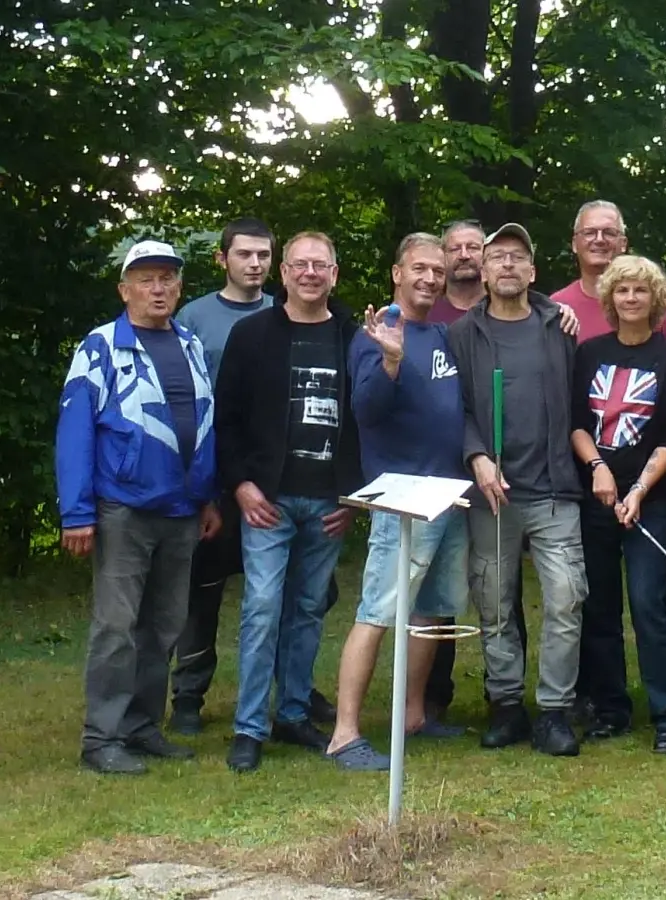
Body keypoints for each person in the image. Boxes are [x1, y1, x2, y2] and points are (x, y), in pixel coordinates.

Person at [56, 240, 221, 774]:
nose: (158, 288)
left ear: (178, 287)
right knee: (116, 627)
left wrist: (208, 496)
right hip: (124, 509)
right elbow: (75, 432)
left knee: (164, 626)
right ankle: (100, 737)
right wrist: (77, 512)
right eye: (146, 279)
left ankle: (141, 727)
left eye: (167, 279)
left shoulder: (191, 345)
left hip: (182, 511)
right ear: (124, 288)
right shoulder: (101, 347)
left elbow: (207, 426)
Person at [213, 231, 364, 772]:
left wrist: (355, 495)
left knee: (307, 610)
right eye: (299, 264)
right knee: (260, 608)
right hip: (267, 501)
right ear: (284, 274)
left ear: (334, 275)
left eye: (319, 265)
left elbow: (369, 422)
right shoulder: (252, 335)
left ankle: (294, 712)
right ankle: (248, 727)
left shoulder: (354, 338)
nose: (309, 273)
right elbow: (224, 420)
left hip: (329, 502)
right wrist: (241, 487)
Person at [323, 233, 470, 772]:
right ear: (397, 273)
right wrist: (388, 362)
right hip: (402, 498)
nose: (430, 278)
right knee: (379, 611)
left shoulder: (443, 333)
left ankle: (412, 714)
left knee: (433, 609)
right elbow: (364, 411)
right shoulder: (379, 332)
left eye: (437, 270)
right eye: (420, 270)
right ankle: (344, 734)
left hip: (448, 492)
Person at [423, 219, 574, 726]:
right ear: (482, 272)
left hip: (555, 489)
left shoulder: (559, 326)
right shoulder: (462, 334)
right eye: (497, 257)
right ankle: (505, 703)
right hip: (493, 492)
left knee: (566, 600)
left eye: (517, 257)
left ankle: (555, 708)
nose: (507, 265)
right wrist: (476, 455)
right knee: (494, 604)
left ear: (533, 270)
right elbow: (454, 405)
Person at [571, 255, 666, 754]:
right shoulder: (588, 354)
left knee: (650, 603)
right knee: (599, 605)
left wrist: (639, 490)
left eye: (639, 292)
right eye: (621, 291)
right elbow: (578, 422)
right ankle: (611, 707)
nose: (630, 299)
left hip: (651, 499)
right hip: (595, 493)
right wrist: (598, 469)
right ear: (610, 299)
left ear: (655, 300)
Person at [169, 217, 286, 734]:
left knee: (284, 591)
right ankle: (189, 695)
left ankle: (289, 692)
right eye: (245, 254)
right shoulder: (193, 318)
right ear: (223, 259)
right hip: (212, 476)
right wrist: (200, 490)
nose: (255, 264)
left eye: (263, 255)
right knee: (203, 590)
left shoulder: (285, 314)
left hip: (272, 476)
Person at [550, 201, 666, 350]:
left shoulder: (650, 301)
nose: (599, 240)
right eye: (589, 232)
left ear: (623, 243)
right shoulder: (557, 305)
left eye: (609, 233)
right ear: (574, 244)